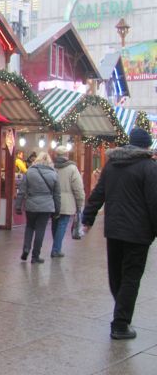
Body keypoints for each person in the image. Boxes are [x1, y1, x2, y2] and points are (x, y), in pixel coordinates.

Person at [82, 128, 157, 340]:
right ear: (146, 146)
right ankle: (121, 323)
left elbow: (98, 193)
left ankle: (121, 309)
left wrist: (87, 218)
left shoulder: (112, 165)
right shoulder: (149, 168)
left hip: (114, 230)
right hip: (138, 233)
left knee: (116, 275)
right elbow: (154, 202)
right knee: (131, 277)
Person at [15, 151, 60, 264]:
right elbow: (57, 195)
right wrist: (57, 210)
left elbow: (22, 191)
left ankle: (26, 248)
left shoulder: (29, 172)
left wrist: (18, 206)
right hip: (46, 206)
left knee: (30, 227)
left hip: (31, 205)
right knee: (40, 230)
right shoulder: (54, 174)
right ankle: (35, 256)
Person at [51, 146, 85, 258]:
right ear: (66, 155)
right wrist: (80, 204)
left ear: (56, 155)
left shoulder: (52, 167)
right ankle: (56, 249)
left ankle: (56, 246)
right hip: (66, 203)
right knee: (62, 225)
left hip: (53, 201)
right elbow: (78, 188)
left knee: (55, 224)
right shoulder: (72, 168)